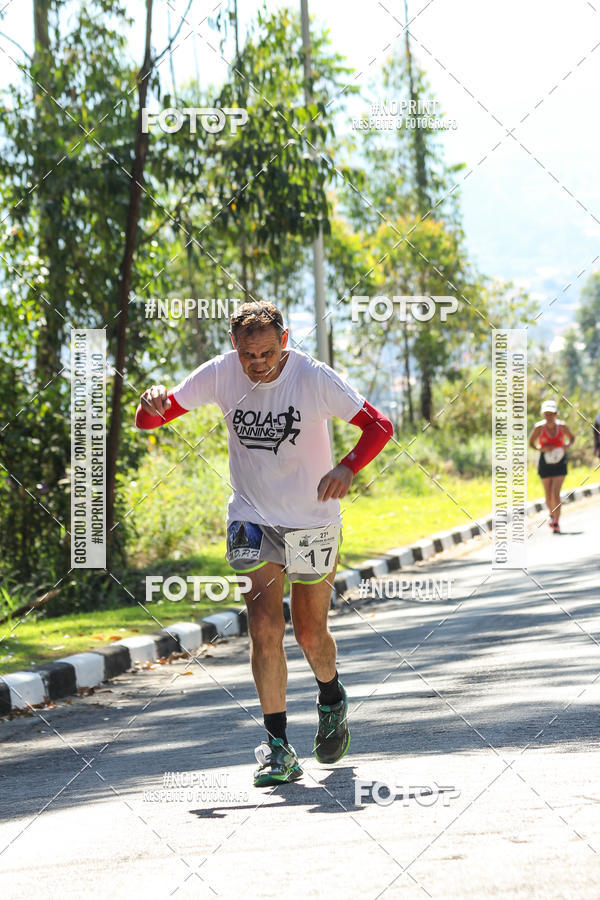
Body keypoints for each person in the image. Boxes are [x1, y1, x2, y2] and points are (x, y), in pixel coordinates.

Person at [135, 301, 393, 786]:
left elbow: (379, 426)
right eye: (249, 354)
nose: (258, 363)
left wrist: (347, 467)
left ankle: (331, 698)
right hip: (251, 517)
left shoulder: (313, 378)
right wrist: (148, 404)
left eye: (268, 352)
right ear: (234, 346)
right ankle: (278, 748)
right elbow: (152, 421)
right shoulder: (219, 374)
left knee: (311, 633)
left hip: (312, 520)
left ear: (286, 341)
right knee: (263, 624)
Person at [529, 399, 574, 533]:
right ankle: (551, 514)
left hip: (560, 462)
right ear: (543, 415)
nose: (549, 416)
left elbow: (572, 438)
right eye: (546, 414)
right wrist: (541, 449)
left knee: (556, 493)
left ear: (556, 414)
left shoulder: (563, 426)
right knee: (548, 495)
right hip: (545, 462)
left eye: (551, 414)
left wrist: (567, 445)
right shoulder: (539, 428)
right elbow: (531, 443)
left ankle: (556, 522)